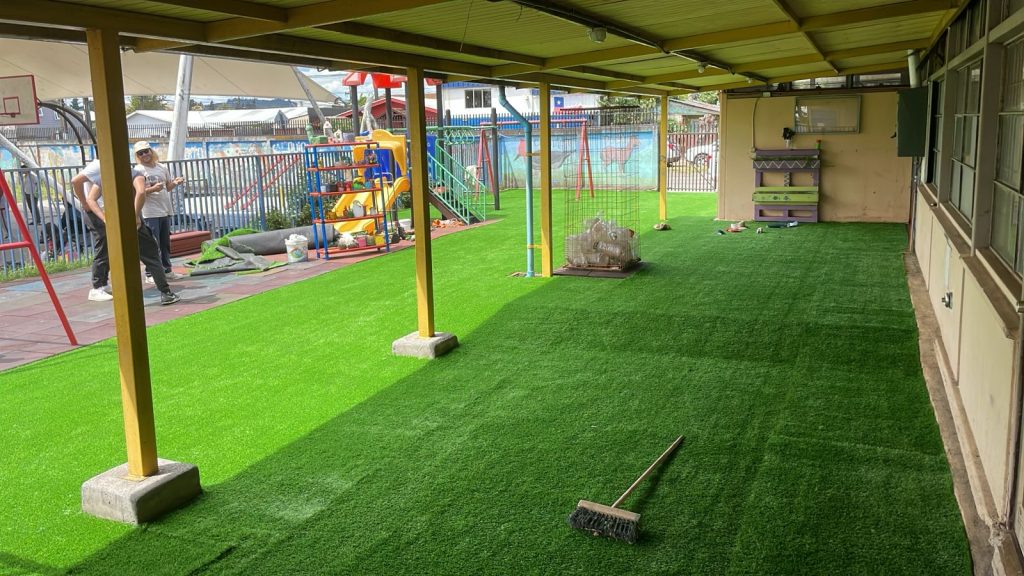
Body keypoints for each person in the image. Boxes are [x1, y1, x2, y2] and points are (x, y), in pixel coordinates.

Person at [71, 159, 180, 305]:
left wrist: (105, 219)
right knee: (151, 255)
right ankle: (166, 293)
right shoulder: (136, 175)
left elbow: (91, 199)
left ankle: (109, 287)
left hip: (113, 220)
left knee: (112, 253)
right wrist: (135, 215)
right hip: (130, 220)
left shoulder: (105, 177)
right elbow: (140, 192)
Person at [132, 141, 185, 283]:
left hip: (164, 209)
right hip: (149, 212)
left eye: (146, 151)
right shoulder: (138, 170)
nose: (144, 155)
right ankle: (150, 273)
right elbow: (138, 192)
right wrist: (152, 189)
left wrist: (175, 182)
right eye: (140, 153)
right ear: (137, 156)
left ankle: (167, 270)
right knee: (152, 244)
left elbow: (167, 187)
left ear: (151, 151)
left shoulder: (162, 167)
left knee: (165, 243)